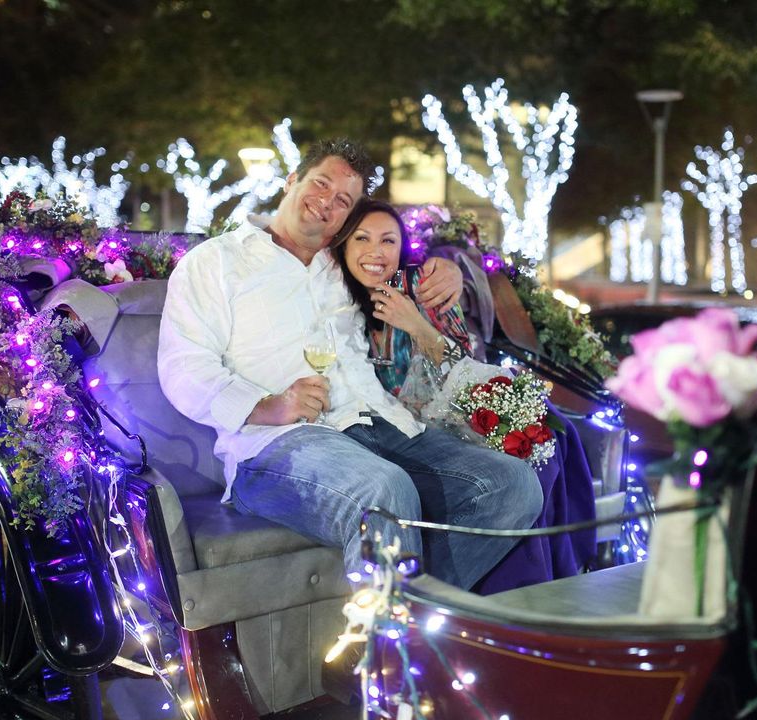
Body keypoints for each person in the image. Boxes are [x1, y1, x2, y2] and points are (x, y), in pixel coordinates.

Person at [158, 139, 542, 591]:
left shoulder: (341, 264)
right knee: (384, 491)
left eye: (343, 201)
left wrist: (451, 269)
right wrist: (269, 405)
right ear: (291, 181)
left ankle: (407, 618)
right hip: (277, 443)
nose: (327, 202)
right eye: (321, 184)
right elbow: (183, 367)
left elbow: (400, 261)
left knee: (513, 486)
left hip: (379, 424)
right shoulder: (217, 262)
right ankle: (387, 645)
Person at [331, 198, 597, 594]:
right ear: (343, 245)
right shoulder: (330, 296)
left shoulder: (424, 287)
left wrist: (417, 325)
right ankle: (492, 594)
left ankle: (542, 586)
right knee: (514, 464)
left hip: (446, 412)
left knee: (544, 441)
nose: (375, 252)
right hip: (389, 433)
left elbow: (460, 363)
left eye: (388, 240)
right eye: (362, 239)